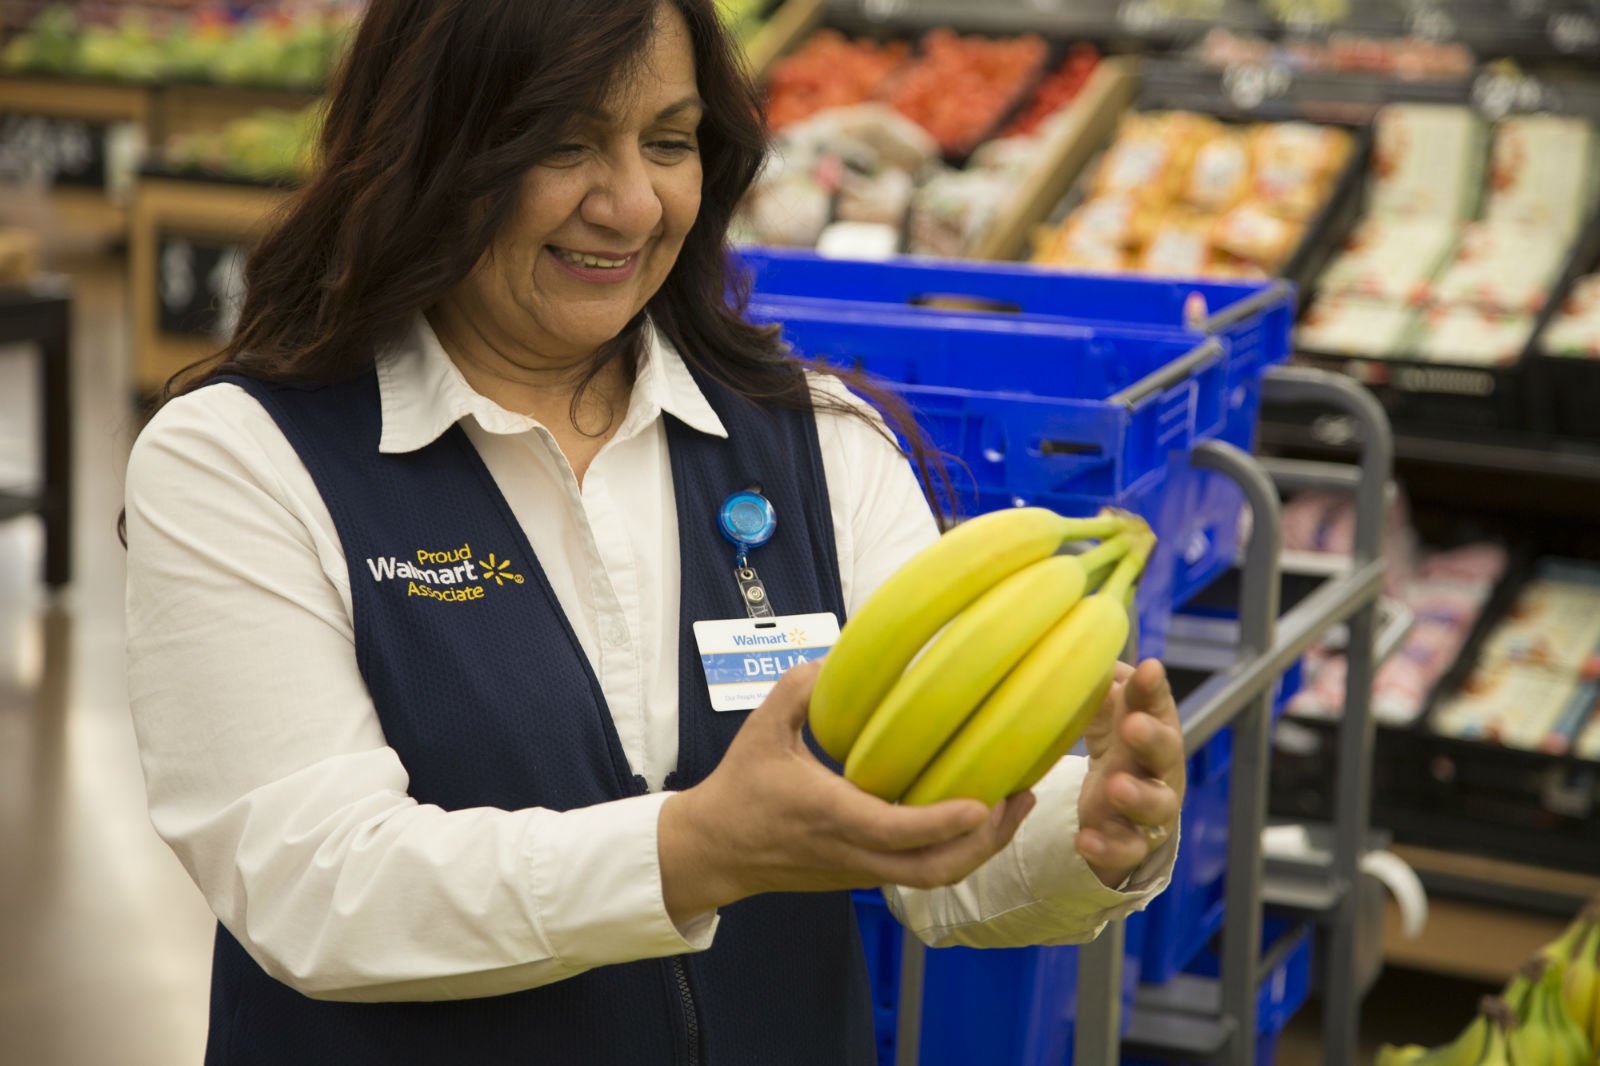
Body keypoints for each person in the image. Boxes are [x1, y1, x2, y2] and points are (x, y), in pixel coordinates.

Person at [123, 2, 1187, 1063]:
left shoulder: (818, 445)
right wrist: (691, 850)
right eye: (563, 143)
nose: (631, 204)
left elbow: (939, 848)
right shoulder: (241, 460)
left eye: (668, 142)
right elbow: (320, 885)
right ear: (428, 149)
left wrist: (1089, 834)